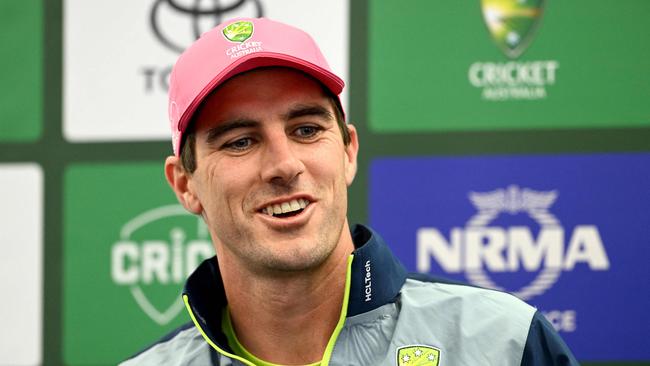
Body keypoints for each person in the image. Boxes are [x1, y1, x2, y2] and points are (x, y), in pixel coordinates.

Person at [121, 17, 579, 366]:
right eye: (240, 141)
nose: (284, 165)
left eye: (305, 129)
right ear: (185, 184)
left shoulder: (505, 343)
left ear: (348, 150)